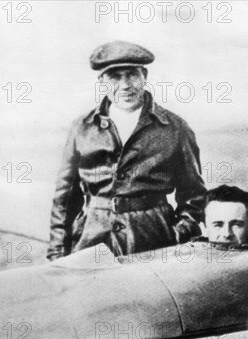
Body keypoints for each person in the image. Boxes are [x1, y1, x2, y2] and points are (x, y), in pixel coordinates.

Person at [47, 40, 206, 260]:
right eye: (114, 77)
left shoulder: (175, 128)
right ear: (102, 81)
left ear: (144, 76)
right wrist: (58, 252)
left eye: (131, 74)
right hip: (92, 238)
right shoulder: (82, 128)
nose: (125, 85)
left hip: (154, 236)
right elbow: (65, 199)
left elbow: (193, 193)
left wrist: (179, 232)